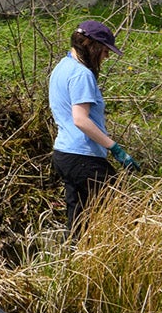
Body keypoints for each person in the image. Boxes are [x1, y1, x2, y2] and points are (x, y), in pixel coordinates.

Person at [48, 19, 140, 232]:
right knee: (125, 208)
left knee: (79, 219)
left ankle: (72, 259)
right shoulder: (82, 74)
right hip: (83, 157)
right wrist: (115, 148)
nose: (106, 57)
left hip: (64, 154)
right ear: (92, 45)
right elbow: (80, 119)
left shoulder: (63, 67)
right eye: (105, 51)